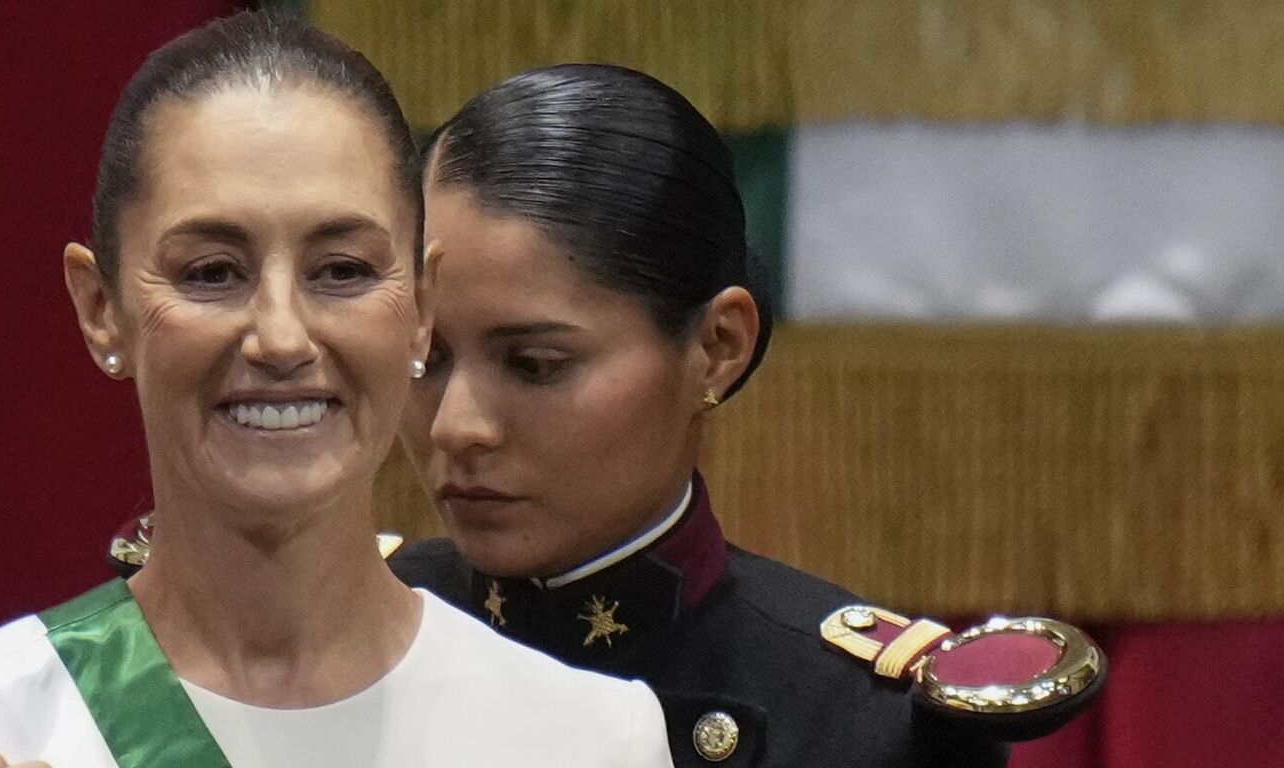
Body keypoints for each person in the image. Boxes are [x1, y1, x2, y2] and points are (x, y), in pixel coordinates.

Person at [0, 17, 673, 768]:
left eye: (341, 271)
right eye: (212, 273)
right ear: (102, 310)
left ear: (421, 306)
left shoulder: (591, 740)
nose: (280, 336)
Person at [386, 63, 1102, 768]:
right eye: (427, 356)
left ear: (718, 346)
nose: (456, 426)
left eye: (536, 365)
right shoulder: (324, 635)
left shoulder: (860, 726)